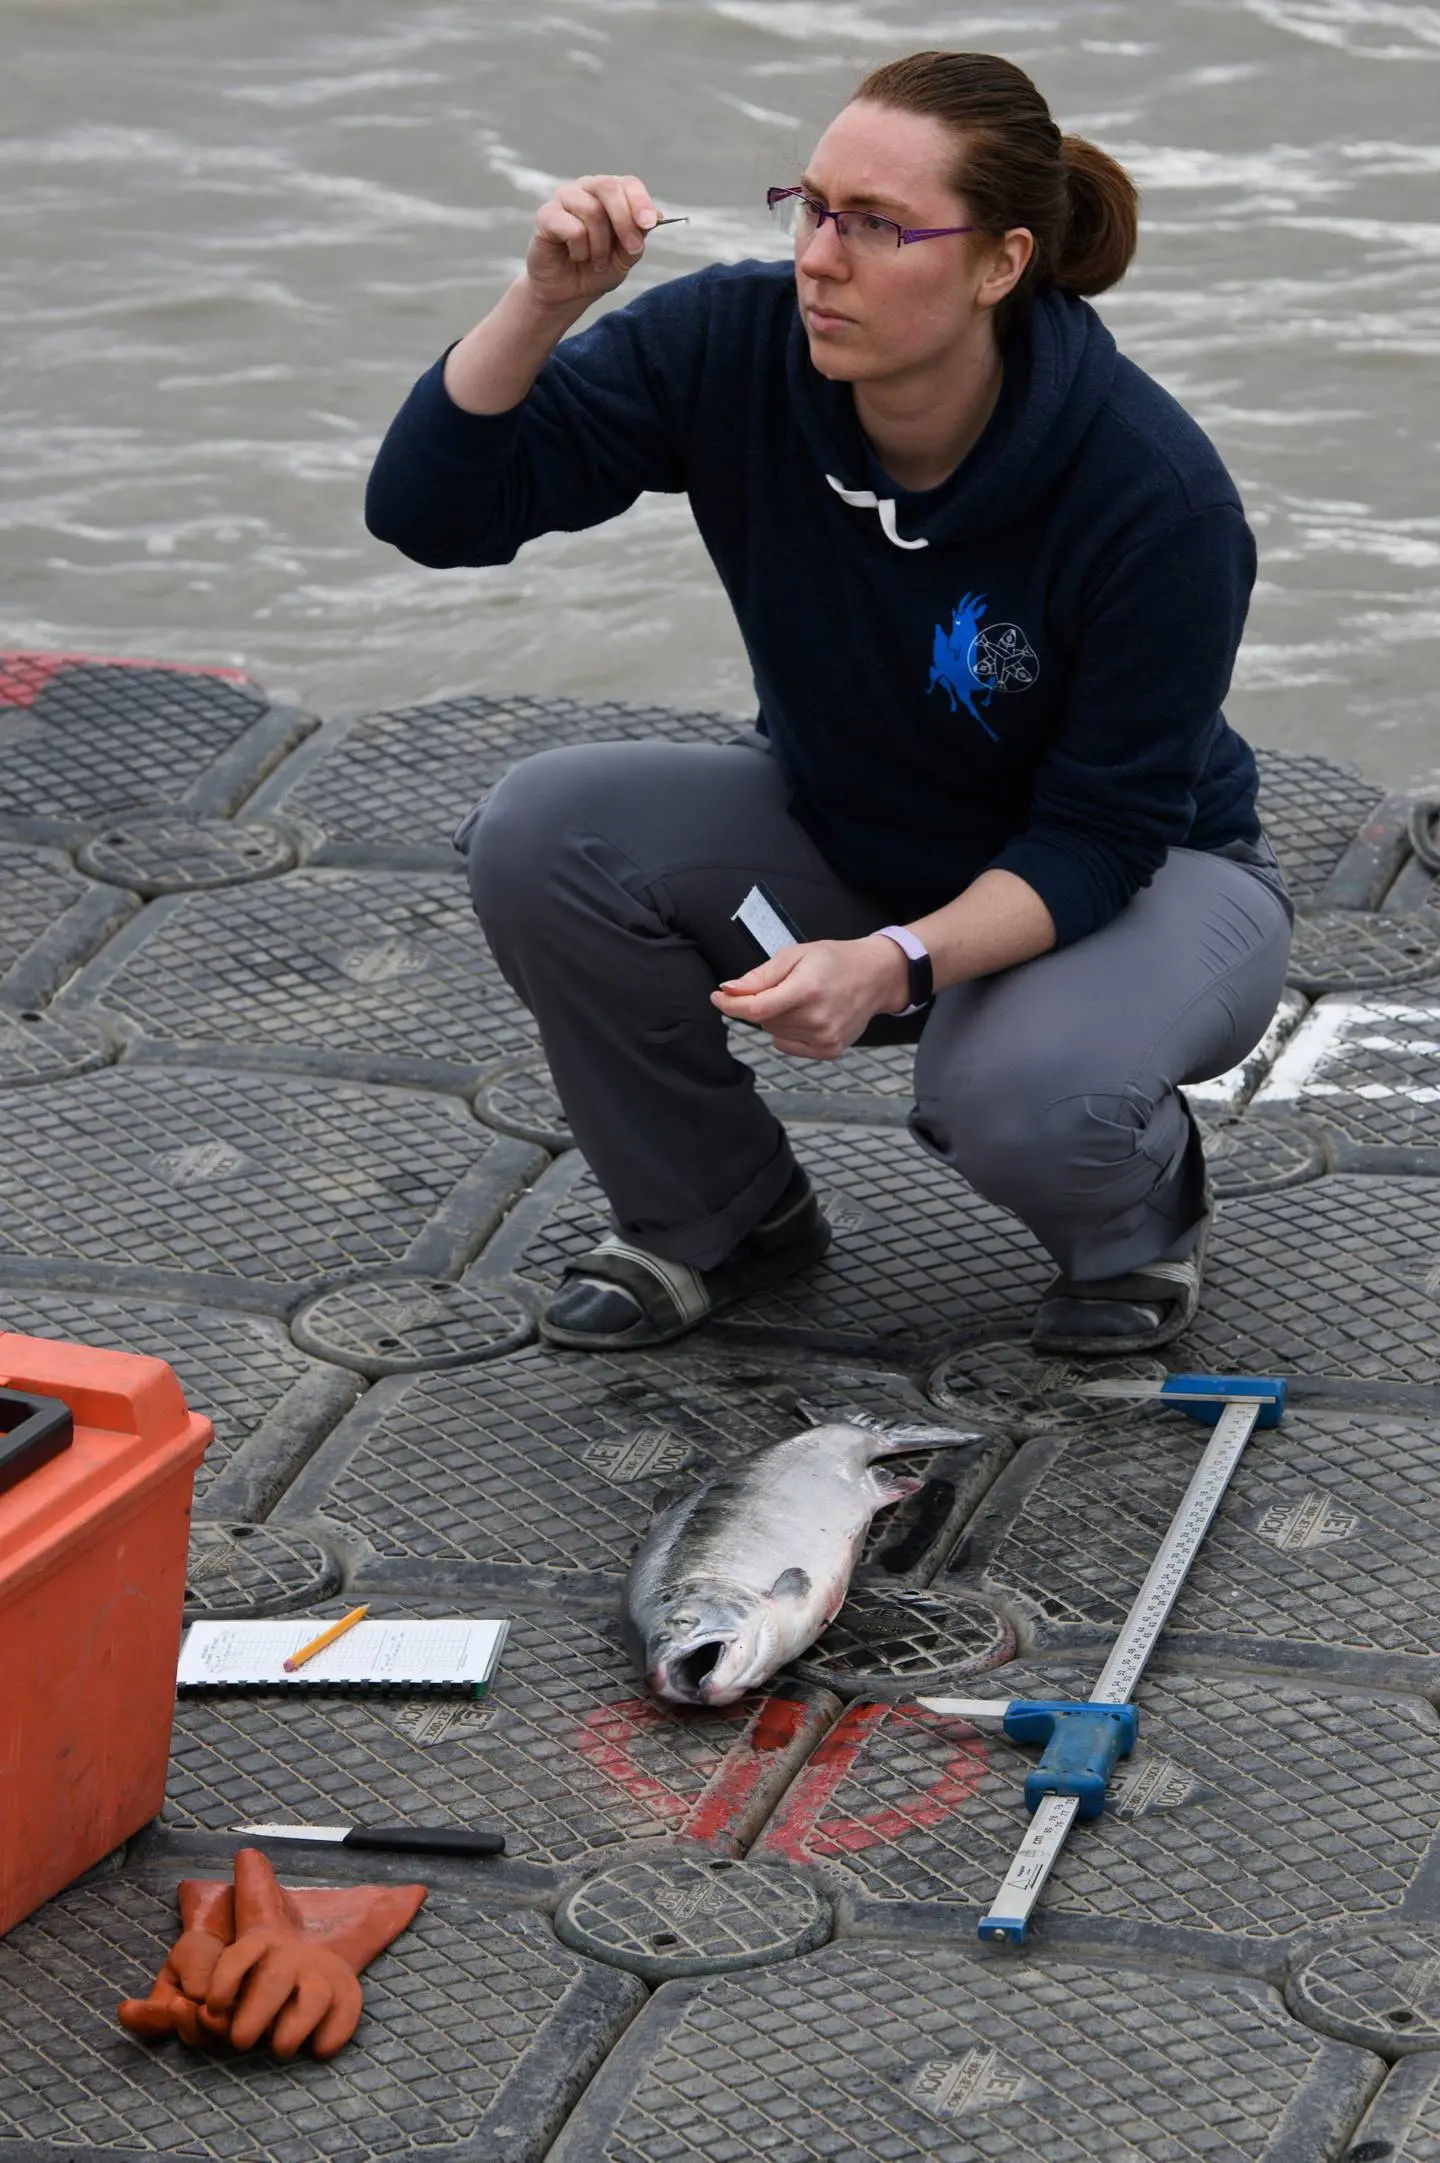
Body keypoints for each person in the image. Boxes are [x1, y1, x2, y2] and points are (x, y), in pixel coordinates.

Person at [366, 49, 1293, 1358]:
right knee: (543, 830)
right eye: (809, 206)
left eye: (875, 226)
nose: (819, 256)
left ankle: (1131, 1225)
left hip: (1150, 880)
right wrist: (542, 299)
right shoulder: (734, 349)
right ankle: (721, 1217)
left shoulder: (1155, 496)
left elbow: (1100, 836)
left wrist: (892, 964)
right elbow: (431, 514)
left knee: (1018, 1092)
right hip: (859, 825)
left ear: (1000, 263)